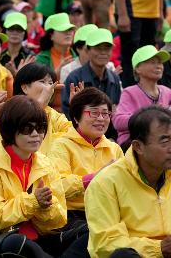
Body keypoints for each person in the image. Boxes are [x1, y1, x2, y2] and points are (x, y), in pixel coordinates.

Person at [0, 95, 67, 257]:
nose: (36, 134)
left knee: (85, 231)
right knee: (16, 243)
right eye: (28, 129)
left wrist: (46, 206)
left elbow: (59, 220)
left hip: (40, 237)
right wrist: (33, 202)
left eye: (41, 128)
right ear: (10, 130)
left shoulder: (45, 164)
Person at [85, 105, 171, 258]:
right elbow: (105, 244)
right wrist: (158, 248)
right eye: (165, 141)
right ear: (138, 147)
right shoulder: (105, 183)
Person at [49, 87, 123, 226]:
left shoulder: (114, 149)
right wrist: (94, 178)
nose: (101, 119)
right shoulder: (62, 145)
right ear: (76, 118)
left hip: (107, 213)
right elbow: (58, 186)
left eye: (105, 114)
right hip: (73, 215)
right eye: (94, 113)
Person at [113, 45, 171, 149]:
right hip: (134, 144)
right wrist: (149, 118)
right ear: (138, 68)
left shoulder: (167, 92)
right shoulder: (129, 92)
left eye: (160, 62)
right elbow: (118, 121)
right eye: (152, 62)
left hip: (162, 142)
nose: (158, 66)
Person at [10, 63, 72, 155]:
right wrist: (40, 104)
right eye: (42, 82)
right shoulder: (11, 111)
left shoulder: (52, 114)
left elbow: (73, 134)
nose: (48, 87)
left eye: (51, 83)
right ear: (25, 88)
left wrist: (77, 109)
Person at [62, 28, 121, 119]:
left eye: (107, 48)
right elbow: (67, 114)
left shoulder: (114, 78)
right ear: (87, 50)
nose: (103, 53)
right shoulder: (74, 78)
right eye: (98, 48)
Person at [115, 0, 162, 88]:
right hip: (132, 13)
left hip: (152, 15)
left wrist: (160, 12)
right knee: (130, 58)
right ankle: (129, 93)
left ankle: (147, 93)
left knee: (149, 58)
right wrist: (122, 14)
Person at [36, 13, 76, 78]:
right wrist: (56, 73)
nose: (68, 33)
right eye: (63, 30)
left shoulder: (79, 54)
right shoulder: (40, 60)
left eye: (70, 29)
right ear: (51, 35)